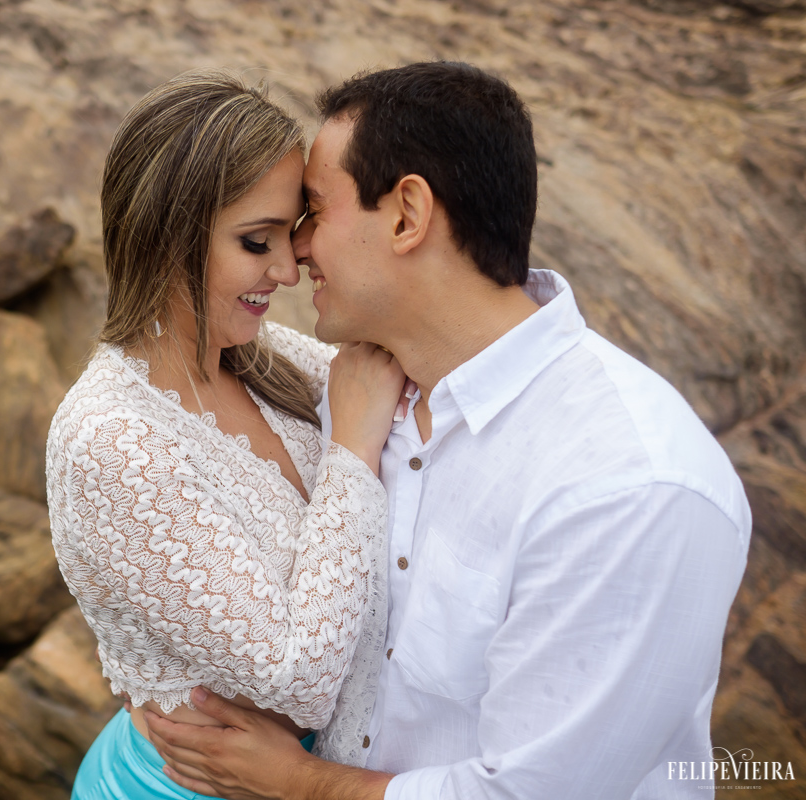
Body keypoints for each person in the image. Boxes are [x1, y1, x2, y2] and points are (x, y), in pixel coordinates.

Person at [145, 62, 752, 800]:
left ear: (407, 215)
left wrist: (301, 783)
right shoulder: (350, 391)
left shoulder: (631, 484)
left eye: (314, 210)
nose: (296, 252)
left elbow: (536, 793)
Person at [45, 69, 406, 800]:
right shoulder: (113, 441)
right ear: (168, 237)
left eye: (292, 234)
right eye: (254, 241)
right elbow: (296, 680)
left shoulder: (269, 361)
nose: (286, 270)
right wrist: (351, 452)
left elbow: (399, 382)